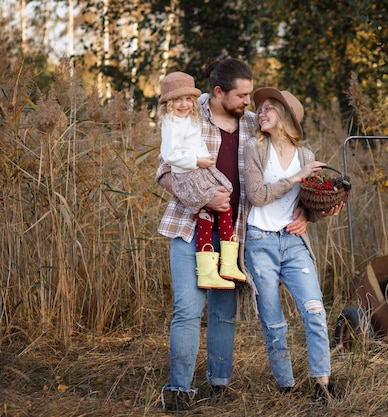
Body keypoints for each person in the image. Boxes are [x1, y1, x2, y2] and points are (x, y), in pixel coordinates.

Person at [156, 58, 309, 411]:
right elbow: (165, 171)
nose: (247, 102)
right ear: (218, 92)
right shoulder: (190, 117)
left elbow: (288, 161)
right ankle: (179, 390)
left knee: (224, 310)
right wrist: (204, 196)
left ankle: (219, 384)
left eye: (249, 95)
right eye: (241, 95)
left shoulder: (255, 125)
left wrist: (305, 207)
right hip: (190, 227)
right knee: (188, 309)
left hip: (234, 233)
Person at [242, 87, 336, 402]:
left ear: (286, 118)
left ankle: (322, 384)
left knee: (314, 310)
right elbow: (256, 195)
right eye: (261, 108)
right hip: (260, 241)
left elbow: (314, 201)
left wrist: (312, 213)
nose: (261, 113)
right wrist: (296, 178)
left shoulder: (305, 156)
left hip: (294, 242)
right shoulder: (253, 148)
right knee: (273, 320)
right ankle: (286, 385)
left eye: (269, 108)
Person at [158, 71, 245, 290]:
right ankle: (217, 268)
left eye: (188, 99)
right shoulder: (171, 123)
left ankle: (222, 267)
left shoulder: (189, 118)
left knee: (211, 212)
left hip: (198, 169)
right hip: (189, 172)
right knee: (220, 207)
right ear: (168, 102)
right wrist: (197, 161)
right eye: (177, 99)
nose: (184, 104)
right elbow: (169, 156)